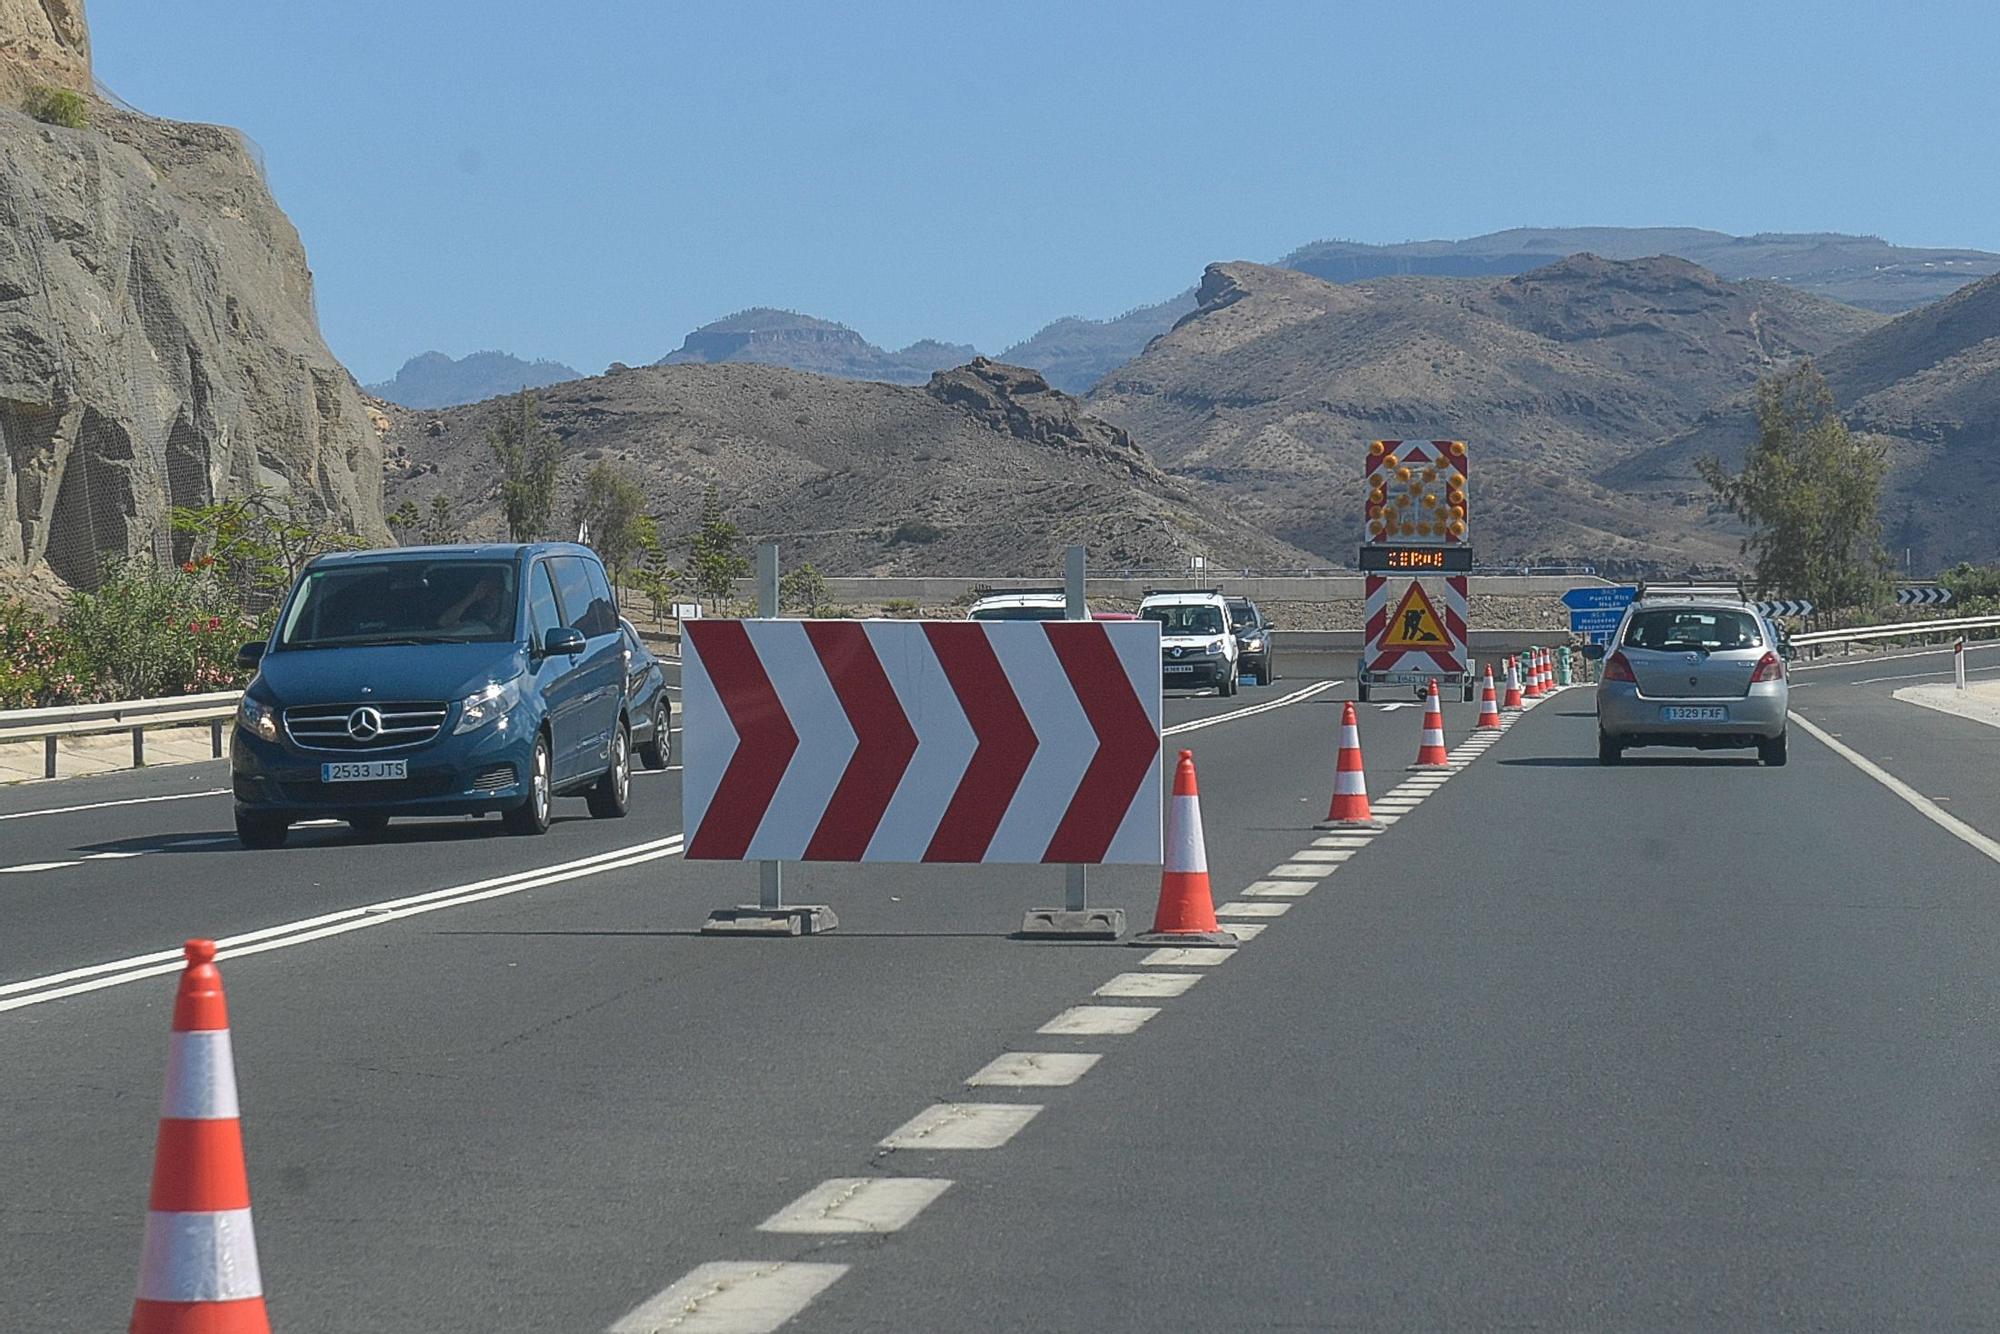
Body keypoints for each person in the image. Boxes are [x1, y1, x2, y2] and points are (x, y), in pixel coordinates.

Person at [437, 570, 506, 633]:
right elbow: (443, 622)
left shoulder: (509, 606)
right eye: (485, 584)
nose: (488, 589)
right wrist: (473, 596)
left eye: (494, 585)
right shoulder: (472, 607)